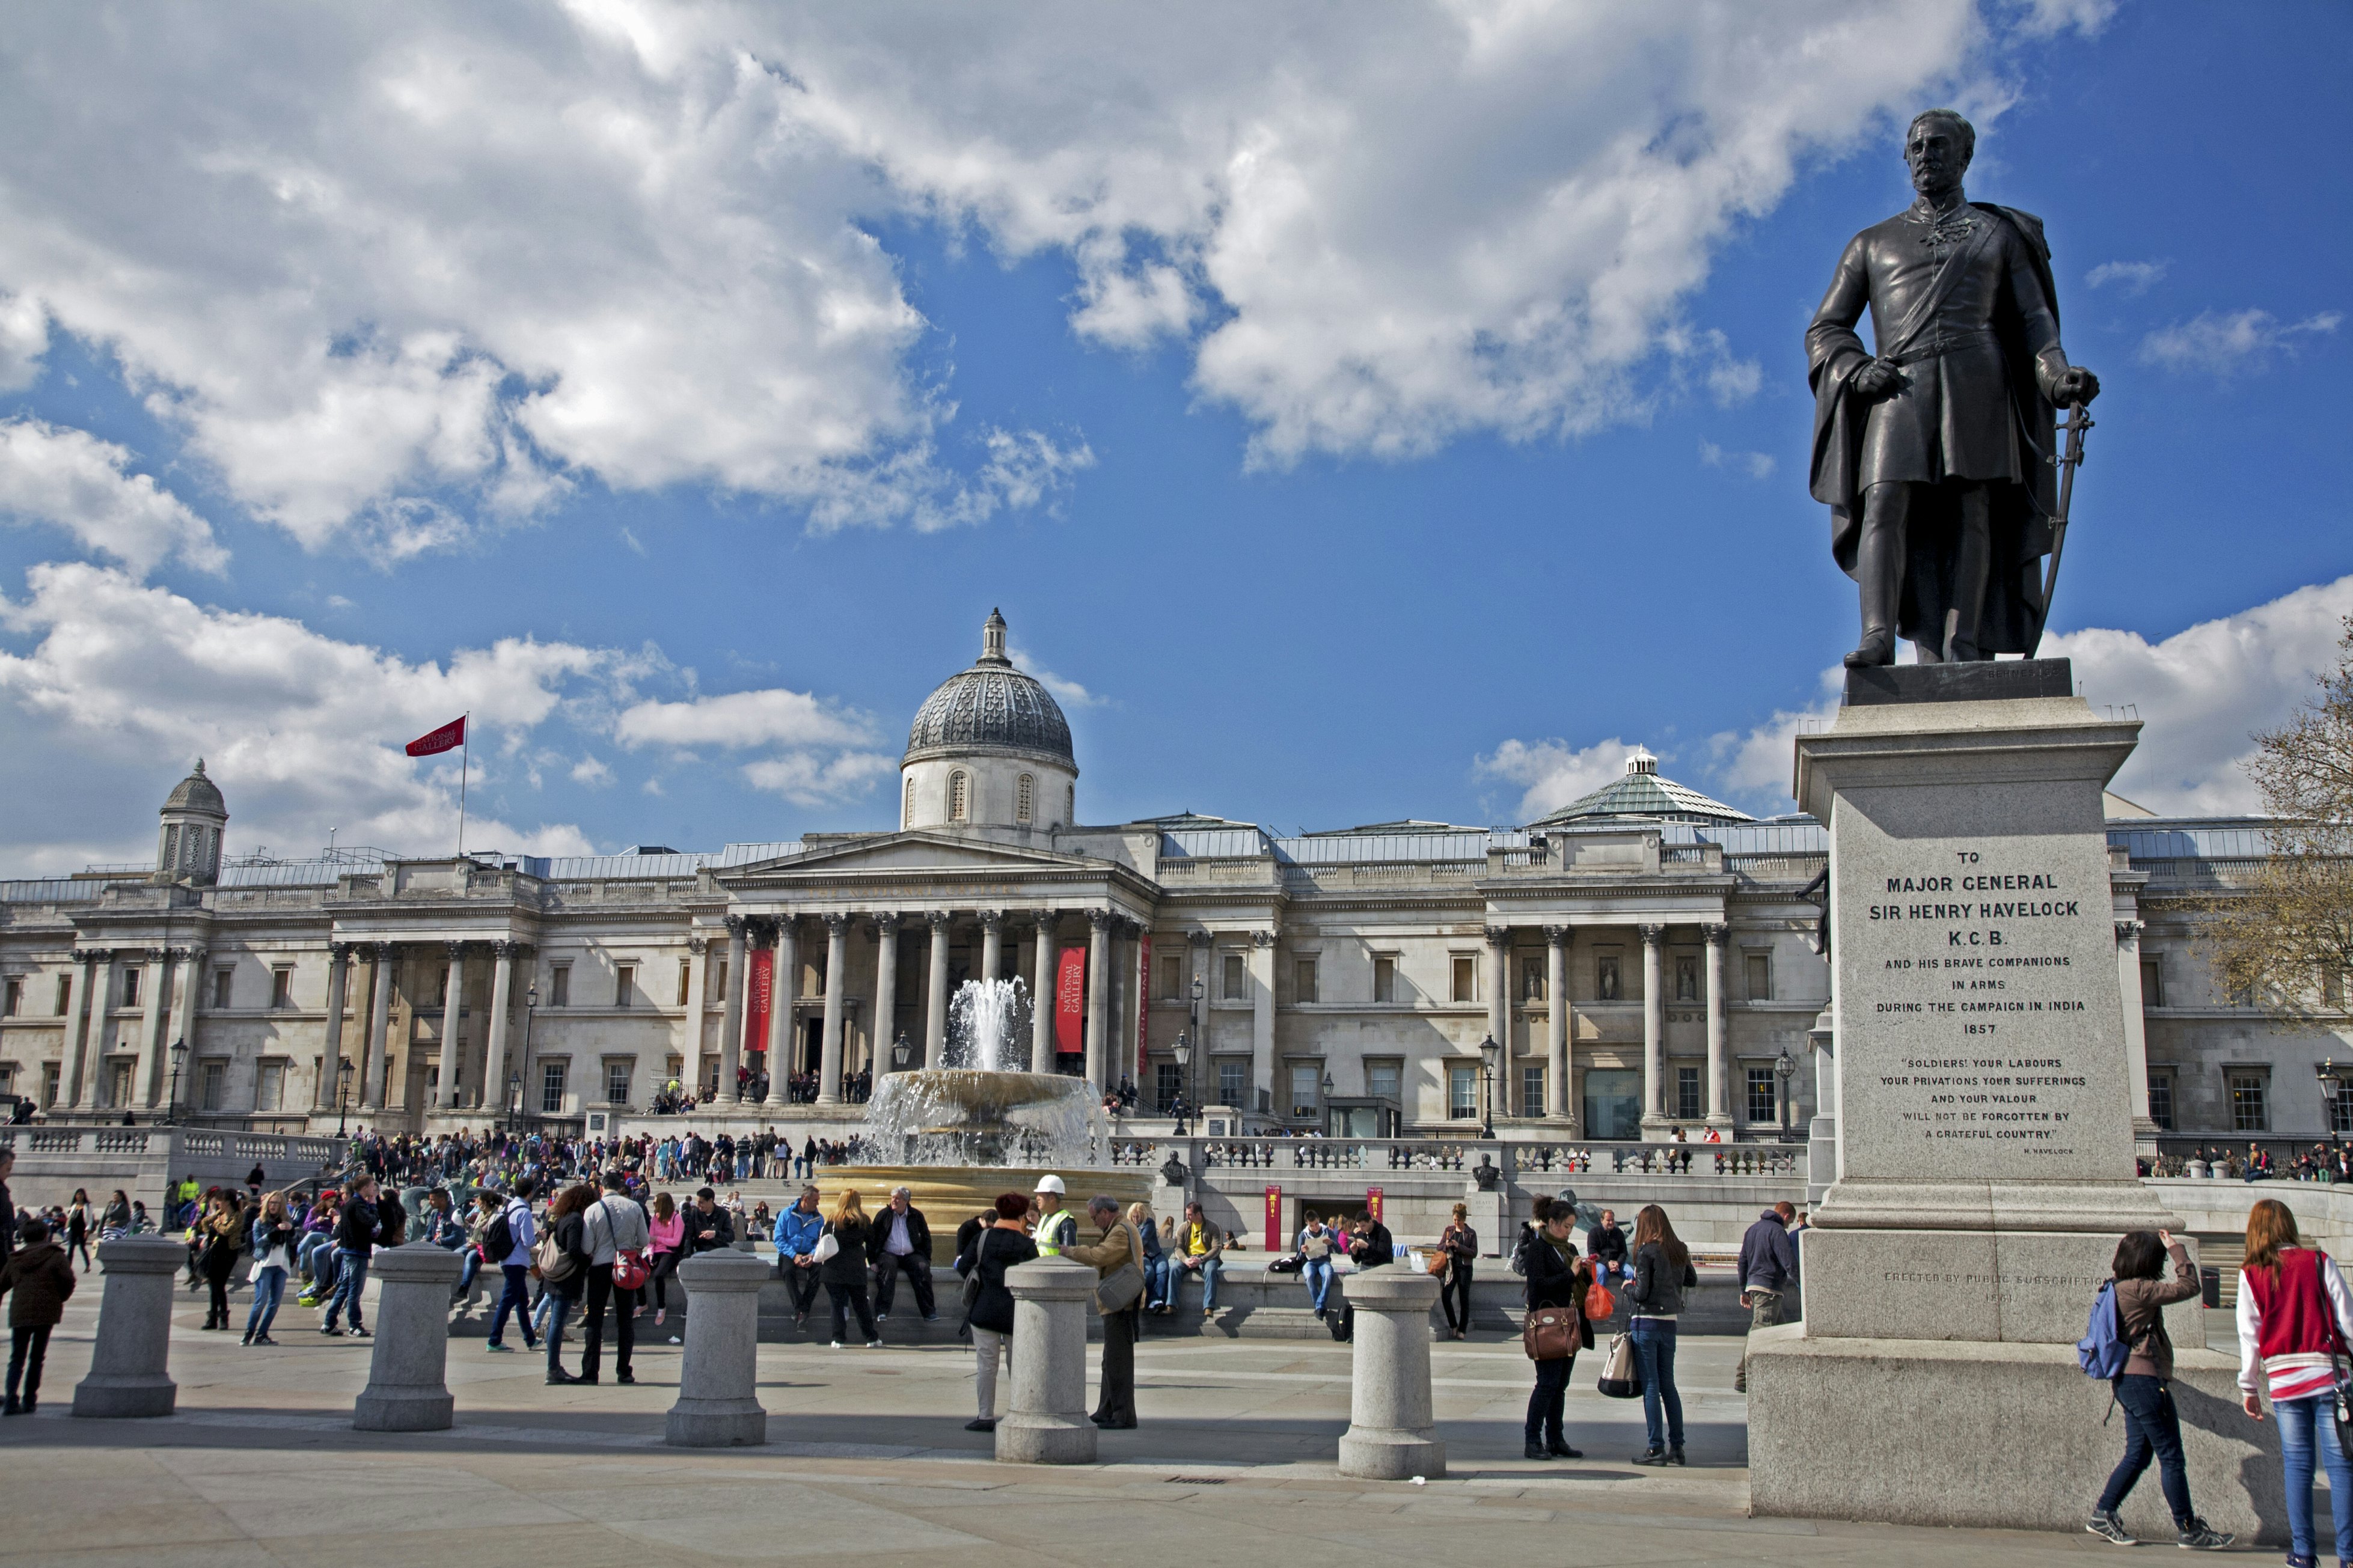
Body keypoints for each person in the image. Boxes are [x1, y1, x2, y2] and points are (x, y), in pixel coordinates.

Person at [2087, 1229, 2230, 1549]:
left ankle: (2103, 1513)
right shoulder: (2140, 1289)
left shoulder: (2116, 1287)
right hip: (2145, 1380)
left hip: (2127, 1380)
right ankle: (2188, 1527)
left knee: (2138, 1455)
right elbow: (2190, 1287)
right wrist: (2177, 1249)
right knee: (2172, 1457)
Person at [2237, 1196, 2353, 1563]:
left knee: (2298, 1467)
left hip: (2286, 1381)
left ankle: (2304, 1552)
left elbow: (2249, 1335)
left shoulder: (2251, 1273)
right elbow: (2348, 1321)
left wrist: (2249, 1385)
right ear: (2290, 1226)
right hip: (2331, 1377)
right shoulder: (2318, 1262)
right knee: (2341, 1466)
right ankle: (2348, 1554)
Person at [958, 1192, 1038, 1432]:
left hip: (984, 1311)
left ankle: (985, 1417)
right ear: (1023, 1215)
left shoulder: (983, 1239)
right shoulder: (1027, 1245)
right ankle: (1020, 1411)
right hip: (1017, 1315)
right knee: (1019, 1366)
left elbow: (963, 1267)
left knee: (986, 1367)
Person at [1625, 1204, 1697, 1465]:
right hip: (1669, 1324)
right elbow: (1692, 1280)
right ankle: (1677, 1448)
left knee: (1651, 1387)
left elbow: (1641, 1293)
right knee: (1669, 1385)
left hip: (1647, 1323)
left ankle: (1655, 1448)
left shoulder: (1646, 1250)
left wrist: (1626, 1288)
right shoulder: (1679, 1248)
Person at [1521, 1194, 1590, 1460]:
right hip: (1547, 1325)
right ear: (1551, 1222)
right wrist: (1569, 1274)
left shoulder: (1567, 1248)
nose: (1568, 1232)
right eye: (1565, 1226)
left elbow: (1574, 1281)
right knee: (1547, 1384)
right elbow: (1538, 1285)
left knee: (1560, 1385)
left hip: (1568, 1324)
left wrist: (1584, 1271)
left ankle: (1555, 1438)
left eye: (1572, 1227)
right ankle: (1532, 1439)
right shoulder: (1538, 1249)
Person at [1068, 1195, 1145, 1430]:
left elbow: (1100, 1255)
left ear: (1104, 1213)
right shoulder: (1119, 1226)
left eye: (1094, 1217)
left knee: (1118, 1361)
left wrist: (1070, 1252)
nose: (1093, 1223)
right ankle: (1106, 1409)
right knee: (1110, 1361)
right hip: (1118, 1303)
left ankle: (1122, 1415)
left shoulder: (1120, 1230)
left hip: (1122, 1305)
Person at [578, 1170, 647, 1386]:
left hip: (601, 1265)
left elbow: (587, 1247)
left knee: (595, 1320)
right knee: (625, 1319)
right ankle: (624, 1370)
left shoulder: (592, 1209)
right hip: (625, 1265)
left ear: (601, 1187)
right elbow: (644, 1240)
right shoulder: (634, 1207)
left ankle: (590, 1372)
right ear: (620, 1187)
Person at [0, 1218, 73, 1414]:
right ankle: (30, 1400)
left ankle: (10, 1402)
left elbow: (2, 1283)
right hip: (46, 1312)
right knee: (36, 1358)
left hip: (20, 1311)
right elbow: (68, 1281)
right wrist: (60, 1299)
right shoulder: (55, 1256)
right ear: (45, 1234)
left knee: (17, 1358)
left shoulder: (15, 1259)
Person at [1734, 1201, 1798, 1394]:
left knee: (1781, 1332)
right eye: (1790, 1222)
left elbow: (1742, 1261)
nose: (1789, 1226)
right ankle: (1744, 1378)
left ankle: (1785, 1374)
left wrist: (1743, 1289)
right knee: (1760, 1332)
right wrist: (1803, 1282)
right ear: (1786, 1216)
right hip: (1769, 1288)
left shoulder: (1753, 1229)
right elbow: (1789, 1261)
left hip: (1756, 1285)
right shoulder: (1777, 1232)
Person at [540, 1182, 595, 1385]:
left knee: (555, 1320)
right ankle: (552, 1368)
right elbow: (573, 1249)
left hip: (554, 1274)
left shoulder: (562, 1217)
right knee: (557, 1322)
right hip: (566, 1277)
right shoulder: (575, 1220)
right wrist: (588, 1259)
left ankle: (553, 1367)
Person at [819, 1189, 883, 1348]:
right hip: (855, 1267)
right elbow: (872, 1243)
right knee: (861, 1304)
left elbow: (825, 1240)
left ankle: (838, 1339)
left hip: (833, 1267)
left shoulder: (833, 1220)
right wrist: (873, 1261)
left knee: (837, 1305)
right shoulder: (864, 1221)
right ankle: (871, 1338)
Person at [483, 1177, 540, 1354]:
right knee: (507, 1301)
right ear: (530, 1193)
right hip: (518, 1261)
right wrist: (541, 1235)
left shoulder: (507, 1208)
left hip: (506, 1259)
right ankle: (494, 1339)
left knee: (522, 1300)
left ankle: (530, 1339)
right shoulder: (524, 1211)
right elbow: (529, 1241)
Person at [320, 1176, 379, 1338]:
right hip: (357, 1251)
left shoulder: (350, 1204)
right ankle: (354, 1325)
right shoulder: (358, 1205)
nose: (374, 1189)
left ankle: (329, 1322)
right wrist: (373, 1207)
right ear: (365, 1188)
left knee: (344, 1287)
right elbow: (371, 1222)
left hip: (349, 1250)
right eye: (372, 1186)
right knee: (355, 1289)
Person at [873, 1185, 936, 1323]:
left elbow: (926, 1237)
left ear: (906, 1201)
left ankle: (929, 1312)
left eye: (898, 1199)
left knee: (922, 1268)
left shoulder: (916, 1216)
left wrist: (927, 1258)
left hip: (911, 1255)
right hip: (888, 1253)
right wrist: (872, 1260)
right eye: (893, 1198)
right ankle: (882, 1311)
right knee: (888, 1269)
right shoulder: (883, 1215)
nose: (894, 1201)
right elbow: (873, 1238)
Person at [242, 1191, 298, 1346]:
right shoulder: (260, 1221)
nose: (273, 1206)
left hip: (281, 1264)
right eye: (271, 1203)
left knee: (275, 1303)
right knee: (261, 1301)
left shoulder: (287, 1219)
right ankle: (249, 1333)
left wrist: (291, 1231)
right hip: (266, 1263)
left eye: (277, 1203)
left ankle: (262, 1334)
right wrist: (274, 1232)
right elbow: (258, 1243)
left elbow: (294, 1242)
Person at [1336, 1209, 1394, 1344]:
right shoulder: (1360, 1234)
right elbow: (1356, 1260)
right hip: (1365, 1267)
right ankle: (1357, 1332)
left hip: (1381, 1268)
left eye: (1364, 1226)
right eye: (1359, 1226)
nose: (1362, 1229)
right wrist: (1355, 1252)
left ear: (1370, 1222)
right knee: (1361, 1300)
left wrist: (1367, 1246)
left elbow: (1383, 1255)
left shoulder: (1383, 1233)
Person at [773, 1185, 825, 1330]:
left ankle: (803, 1309)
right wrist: (794, 1255)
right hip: (790, 1252)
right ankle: (801, 1308)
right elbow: (778, 1239)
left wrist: (812, 1254)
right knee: (788, 1271)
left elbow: (820, 1241)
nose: (818, 1204)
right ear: (805, 1199)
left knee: (819, 1272)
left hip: (809, 1253)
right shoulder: (787, 1214)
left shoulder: (819, 1219)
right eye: (815, 1200)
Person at [196, 1191, 244, 1331]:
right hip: (216, 1252)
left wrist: (216, 1226)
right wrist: (209, 1233)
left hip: (229, 1254)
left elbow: (227, 1230)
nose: (218, 1203)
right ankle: (212, 1318)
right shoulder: (219, 1215)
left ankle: (223, 1317)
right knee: (214, 1286)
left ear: (228, 1201)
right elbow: (205, 1222)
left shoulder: (237, 1216)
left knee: (220, 1285)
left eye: (221, 1201)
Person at [1172, 1201, 1223, 1316]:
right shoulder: (1183, 1227)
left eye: (1189, 1215)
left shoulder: (1213, 1227)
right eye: (1187, 1214)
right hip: (1188, 1257)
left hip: (1206, 1258)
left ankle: (1209, 1307)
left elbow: (1217, 1248)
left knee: (1211, 1271)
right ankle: (1171, 1304)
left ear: (1198, 1214)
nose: (1187, 1217)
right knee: (1174, 1269)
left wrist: (1202, 1259)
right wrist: (1185, 1259)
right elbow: (1178, 1248)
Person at [1438, 1202, 1478, 1340]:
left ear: (1464, 1219)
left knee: (1464, 1299)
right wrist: (1446, 1245)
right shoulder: (1449, 1230)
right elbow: (1439, 1247)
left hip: (1465, 1269)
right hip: (1451, 1268)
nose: (1456, 1223)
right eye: (1455, 1220)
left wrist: (1459, 1246)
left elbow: (1474, 1252)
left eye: (1459, 1220)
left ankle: (1462, 1329)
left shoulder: (1471, 1233)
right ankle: (1453, 1324)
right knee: (1446, 1295)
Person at [648, 1191, 687, 1328]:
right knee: (638, 1269)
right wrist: (650, 1253)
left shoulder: (677, 1219)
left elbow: (676, 1242)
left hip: (669, 1252)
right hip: (655, 1251)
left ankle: (661, 1307)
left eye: (655, 1203)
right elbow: (650, 1239)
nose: (653, 1205)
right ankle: (642, 1303)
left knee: (659, 1275)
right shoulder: (655, 1218)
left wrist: (658, 1239)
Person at [1296, 1212, 1336, 1320]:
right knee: (1308, 1276)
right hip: (1310, 1262)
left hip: (1324, 1261)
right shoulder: (1303, 1235)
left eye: (1317, 1224)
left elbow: (1340, 1249)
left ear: (1319, 1220)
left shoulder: (1327, 1231)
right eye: (1312, 1225)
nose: (1315, 1227)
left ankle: (1319, 1306)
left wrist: (1331, 1243)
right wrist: (1303, 1251)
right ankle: (1320, 1306)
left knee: (1328, 1275)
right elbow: (1299, 1257)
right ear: (1307, 1224)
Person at [1032, 1175, 1077, 1256]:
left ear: (1052, 1199)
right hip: (1041, 1268)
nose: (1037, 1198)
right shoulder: (1044, 1218)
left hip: (1056, 1268)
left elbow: (1069, 1256)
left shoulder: (1065, 1222)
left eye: (1040, 1195)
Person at [1587, 1209, 1628, 1287]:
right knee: (1601, 1272)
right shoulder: (1594, 1232)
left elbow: (1624, 1252)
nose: (1611, 1223)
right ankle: (1601, 1298)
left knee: (1630, 1273)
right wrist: (1606, 1263)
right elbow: (1592, 1252)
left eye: (1613, 1220)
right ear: (1602, 1220)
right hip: (1600, 1262)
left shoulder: (1619, 1233)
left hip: (1617, 1263)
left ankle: (1632, 1299)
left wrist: (1618, 1263)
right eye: (1608, 1220)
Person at [64, 1189, 90, 1272]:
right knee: (71, 1247)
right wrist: (67, 1226)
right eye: (78, 1195)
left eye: (81, 1195)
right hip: (73, 1229)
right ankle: (68, 1266)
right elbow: (70, 1217)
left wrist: (88, 1230)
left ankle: (87, 1265)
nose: (79, 1196)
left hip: (82, 1229)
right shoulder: (74, 1205)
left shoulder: (88, 1206)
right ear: (76, 1196)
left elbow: (90, 1219)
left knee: (82, 1248)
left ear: (84, 1196)